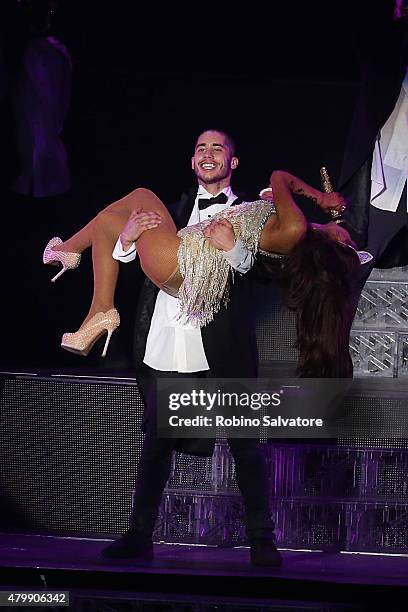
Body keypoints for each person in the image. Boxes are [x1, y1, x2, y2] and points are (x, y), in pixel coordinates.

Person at [43, 129, 357, 566]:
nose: (208, 154)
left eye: (218, 149)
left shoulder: (258, 212)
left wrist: (232, 249)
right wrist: (128, 240)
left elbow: (262, 271)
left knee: (245, 445)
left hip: (218, 340)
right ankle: (138, 535)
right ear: (193, 163)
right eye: (201, 149)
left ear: (233, 163)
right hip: (168, 338)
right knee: (155, 442)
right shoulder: (172, 209)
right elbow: (139, 259)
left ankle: (262, 541)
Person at [317, 2, 408, 302]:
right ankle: (329, 343)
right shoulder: (388, 57)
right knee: (350, 275)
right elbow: (366, 36)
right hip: (391, 178)